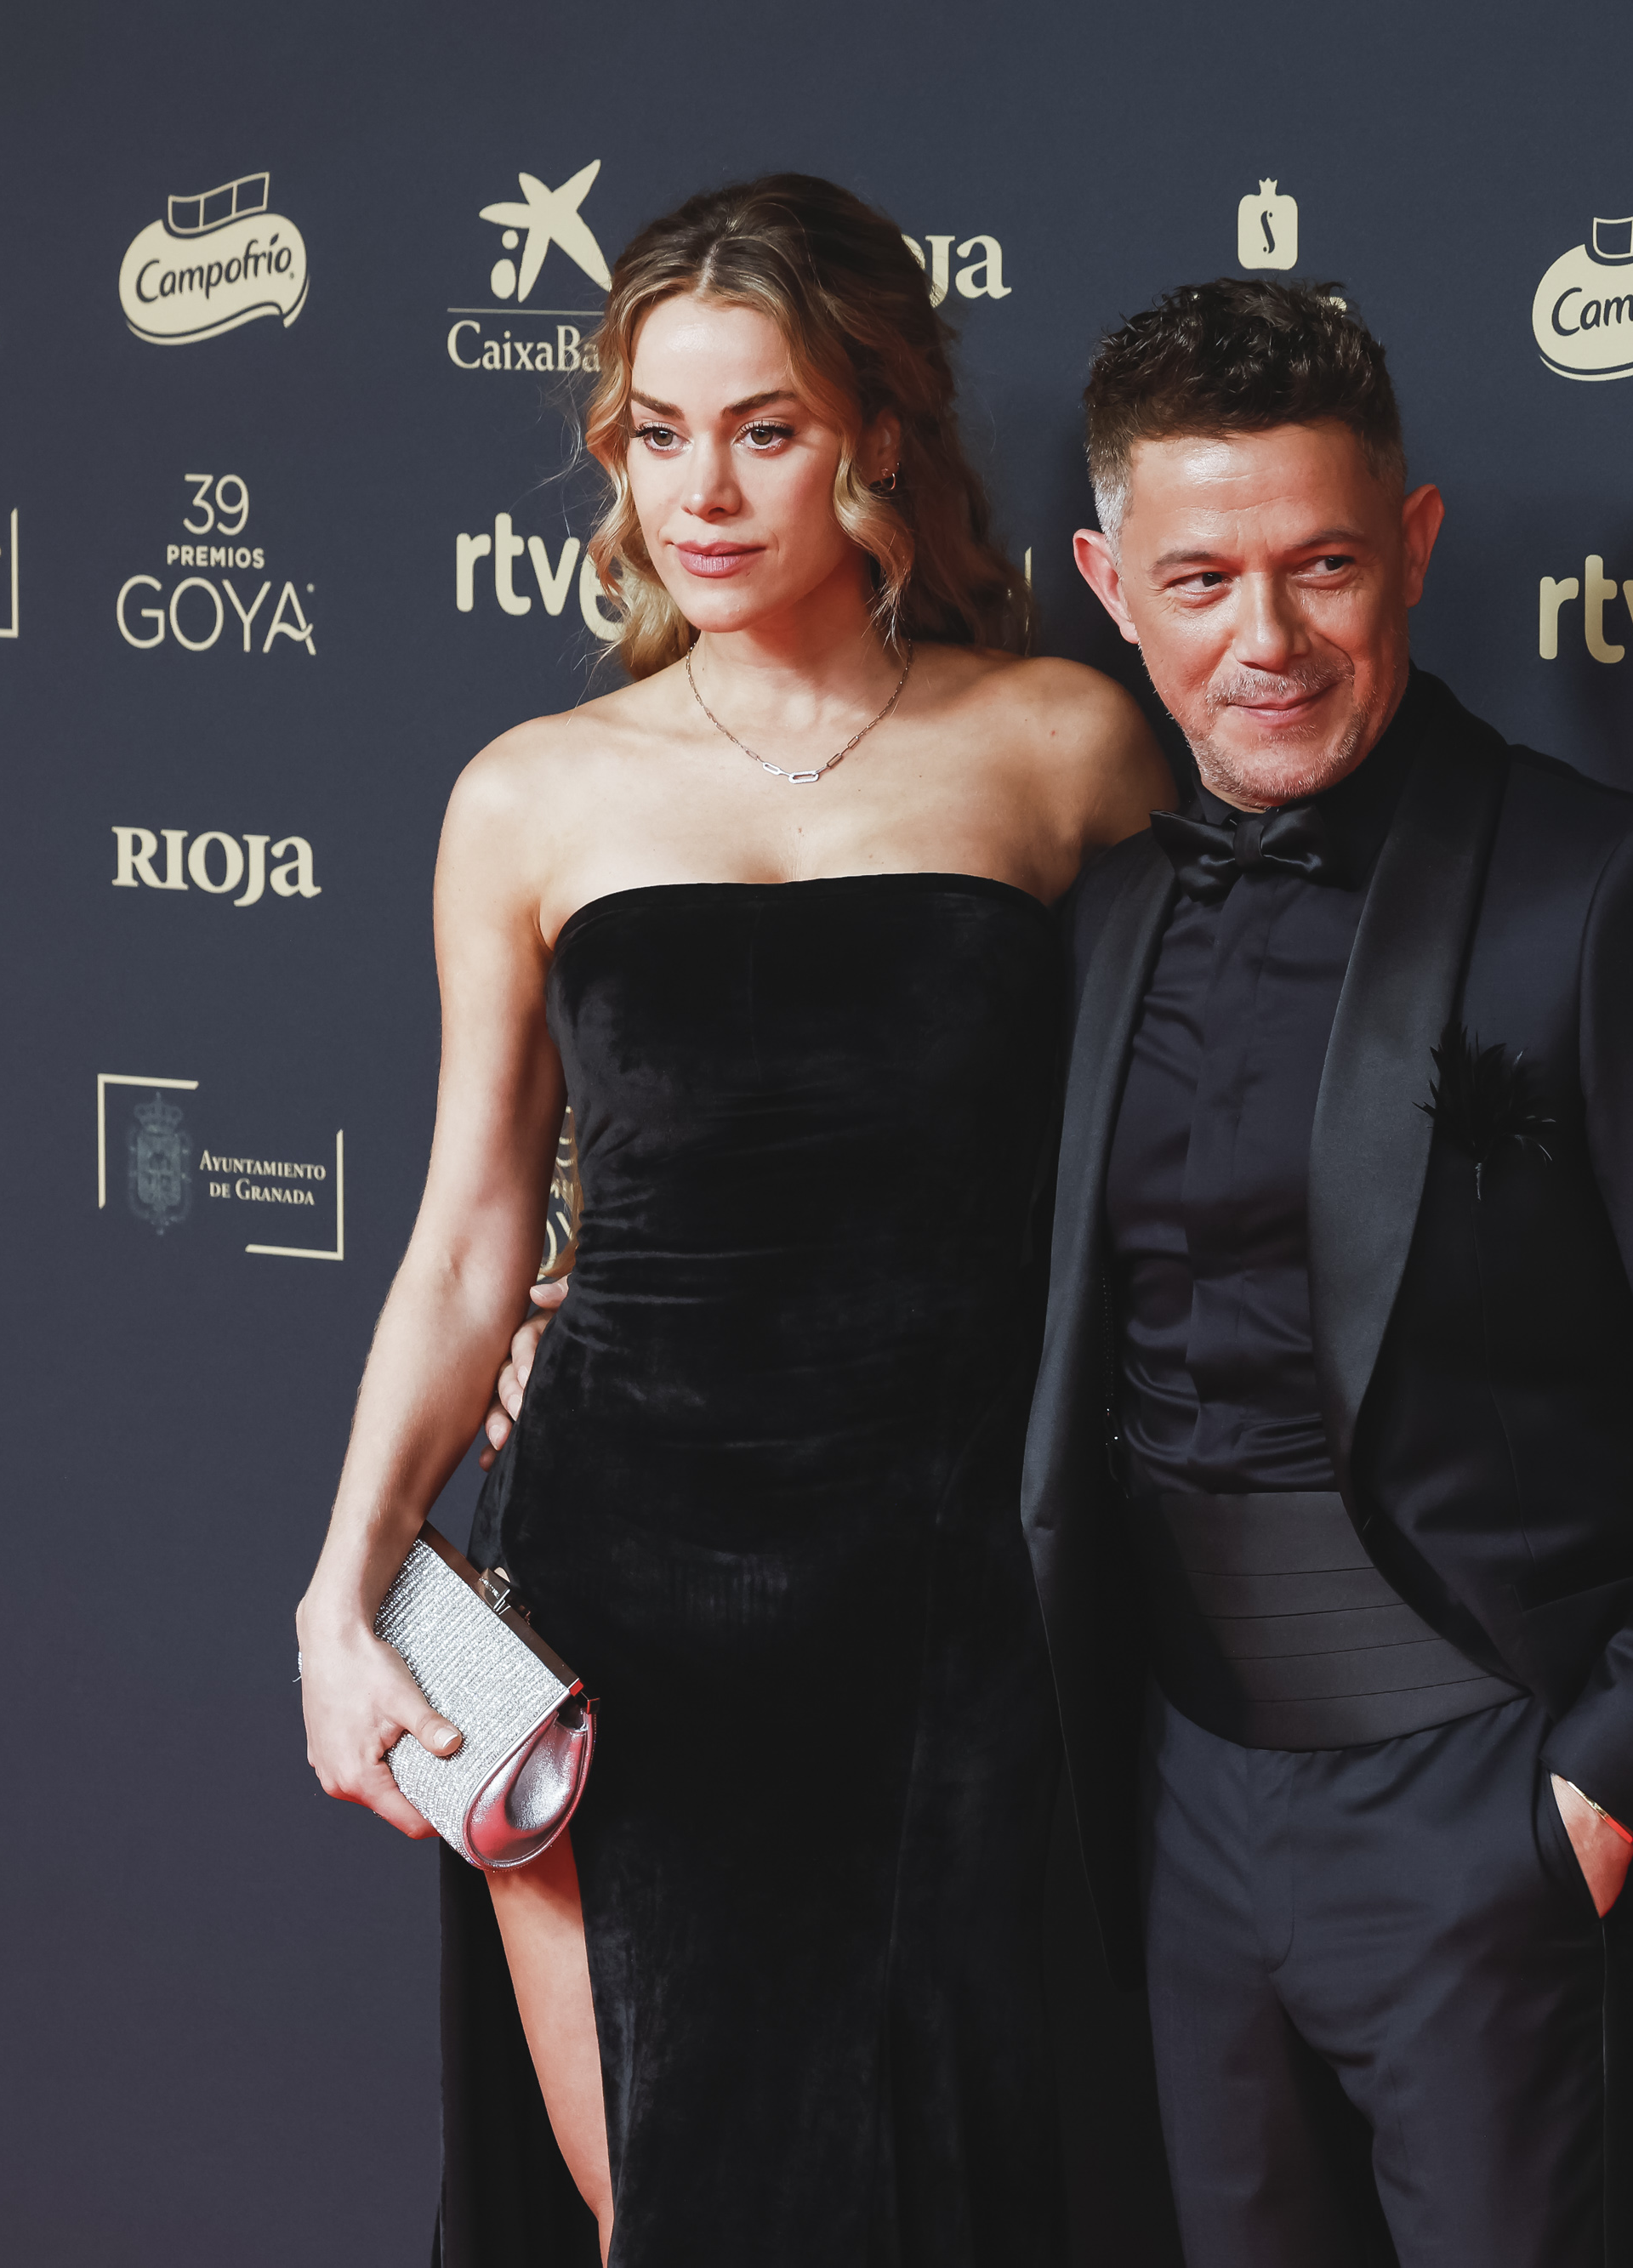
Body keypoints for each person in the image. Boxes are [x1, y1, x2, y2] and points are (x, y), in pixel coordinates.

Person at [290, 173, 1167, 2268]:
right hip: (627, 1589)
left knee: (963, 2190)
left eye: (761, 427)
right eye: (653, 431)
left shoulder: (1061, 751)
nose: (701, 486)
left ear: (876, 429)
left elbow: (1174, 1180)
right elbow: (467, 1229)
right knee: (673, 2203)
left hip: (962, 1592)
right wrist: (342, 1598)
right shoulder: (532, 791)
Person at [1028, 279, 1633, 2265]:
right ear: (1106, 583)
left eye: (1322, 564)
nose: (1266, 637)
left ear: (1410, 545)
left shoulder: (1605, 897)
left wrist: (1599, 1781)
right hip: (1174, 1799)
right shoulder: (1101, 911)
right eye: (1202, 576)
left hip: (1478, 1795)